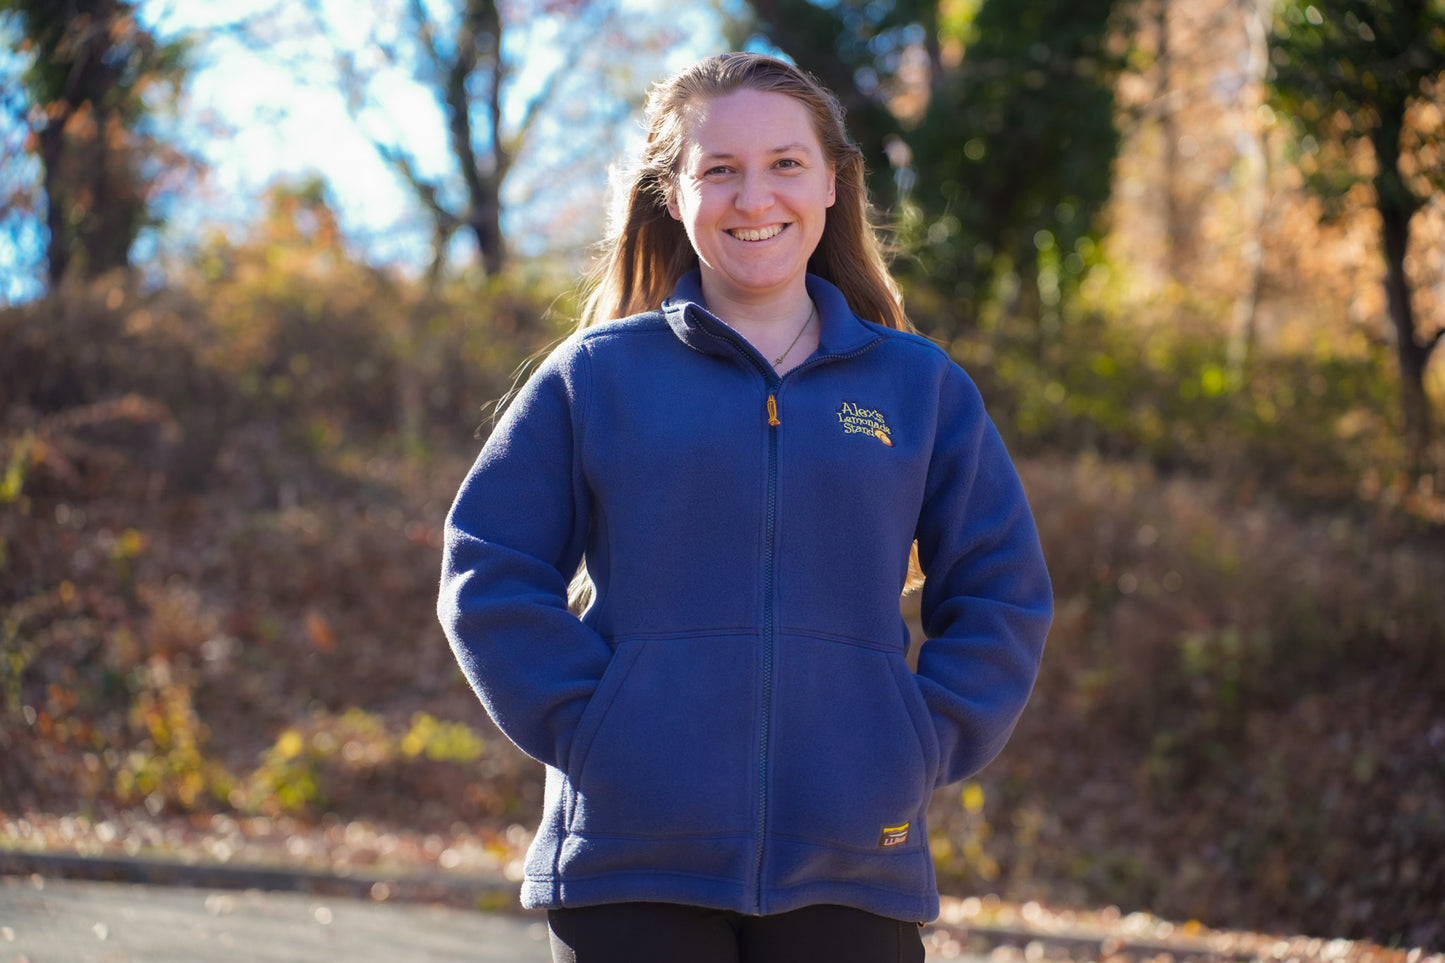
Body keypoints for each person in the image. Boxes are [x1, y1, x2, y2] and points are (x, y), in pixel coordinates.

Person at [437, 51, 1053, 963]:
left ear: (834, 183)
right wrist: (595, 728)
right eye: (718, 169)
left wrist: (915, 743)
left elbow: (1001, 588)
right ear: (672, 195)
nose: (753, 197)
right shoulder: (595, 379)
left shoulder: (918, 389)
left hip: (851, 860)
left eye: (785, 164)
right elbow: (487, 568)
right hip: (631, 861)